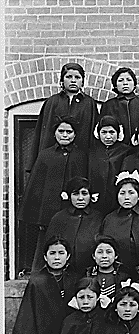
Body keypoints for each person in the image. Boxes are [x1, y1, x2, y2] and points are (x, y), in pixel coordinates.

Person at [19, 116, 88, 273]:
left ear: (75, 134)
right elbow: (36, 187)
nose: (65, 135)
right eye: (61, 131)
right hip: (48, 212)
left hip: (72, 211)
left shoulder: (81, 156)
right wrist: (39, 214)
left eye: (69, 132)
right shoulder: (45, 155)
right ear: (54, 133)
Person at [11, 237, 79, 334]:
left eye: (61, 253)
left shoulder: (74, 279)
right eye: (52, 253)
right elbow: (28, 314)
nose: (56, 257)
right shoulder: (37, 281)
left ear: (68, 256)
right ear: (45, 257)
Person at [29, 62, 98, 163]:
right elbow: (43, 133)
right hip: (54, 157)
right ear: (62, 80)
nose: (73, 80)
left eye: (77, 77)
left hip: (80, 158)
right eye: (69, 77)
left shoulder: (89, 103)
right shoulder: (52, 102)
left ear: (82, 82)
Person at [42, 176, 103, 276]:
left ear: (90, 196)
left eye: (84, 193)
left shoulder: (98, 218)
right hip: (64, 274)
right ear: (69, 196)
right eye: (75, 194)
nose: (80, 198)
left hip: (91, 274)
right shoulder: (59, 218)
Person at [100, 171, 139, 274]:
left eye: (131, 193)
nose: (126, 197)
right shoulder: (109, 219)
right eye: (122, 193)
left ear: (138, 196)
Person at [87, 115, 130, 216]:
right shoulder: (91, 152)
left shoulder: (126, 151)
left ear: (118, 133)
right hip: (96, 197)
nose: (108, 137)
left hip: (116, 198)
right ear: (98, 133)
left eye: (112, 132)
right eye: (104, 132)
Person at [99, 66, 139, 145]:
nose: (125, 83)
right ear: (115, 85)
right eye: (120, 80)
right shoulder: (108, 105)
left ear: (134, 84)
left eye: (129, 80)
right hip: (117, 149)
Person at [85, 235, 131, 307]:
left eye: (109, 252)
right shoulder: (87, 275)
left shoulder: (124, 277)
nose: (104, 256)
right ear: (94, 256)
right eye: (100, 252)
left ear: (116, 255)